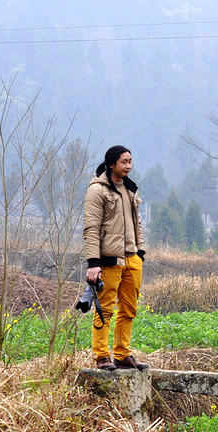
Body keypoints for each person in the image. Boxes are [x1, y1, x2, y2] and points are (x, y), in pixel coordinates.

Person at [83, 145, 149, 371]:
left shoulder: (130, 189)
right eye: (124, 162)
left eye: (130, 161)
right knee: (105, 309)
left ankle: (122, 355)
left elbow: (137, 223)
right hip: (109, 260)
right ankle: (102, 356)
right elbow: (91, 228)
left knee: (129, 310)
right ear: (111, 164)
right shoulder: (97, 190)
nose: (129, 166)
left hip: (132, 258)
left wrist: (140, 252)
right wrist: (93, 263)